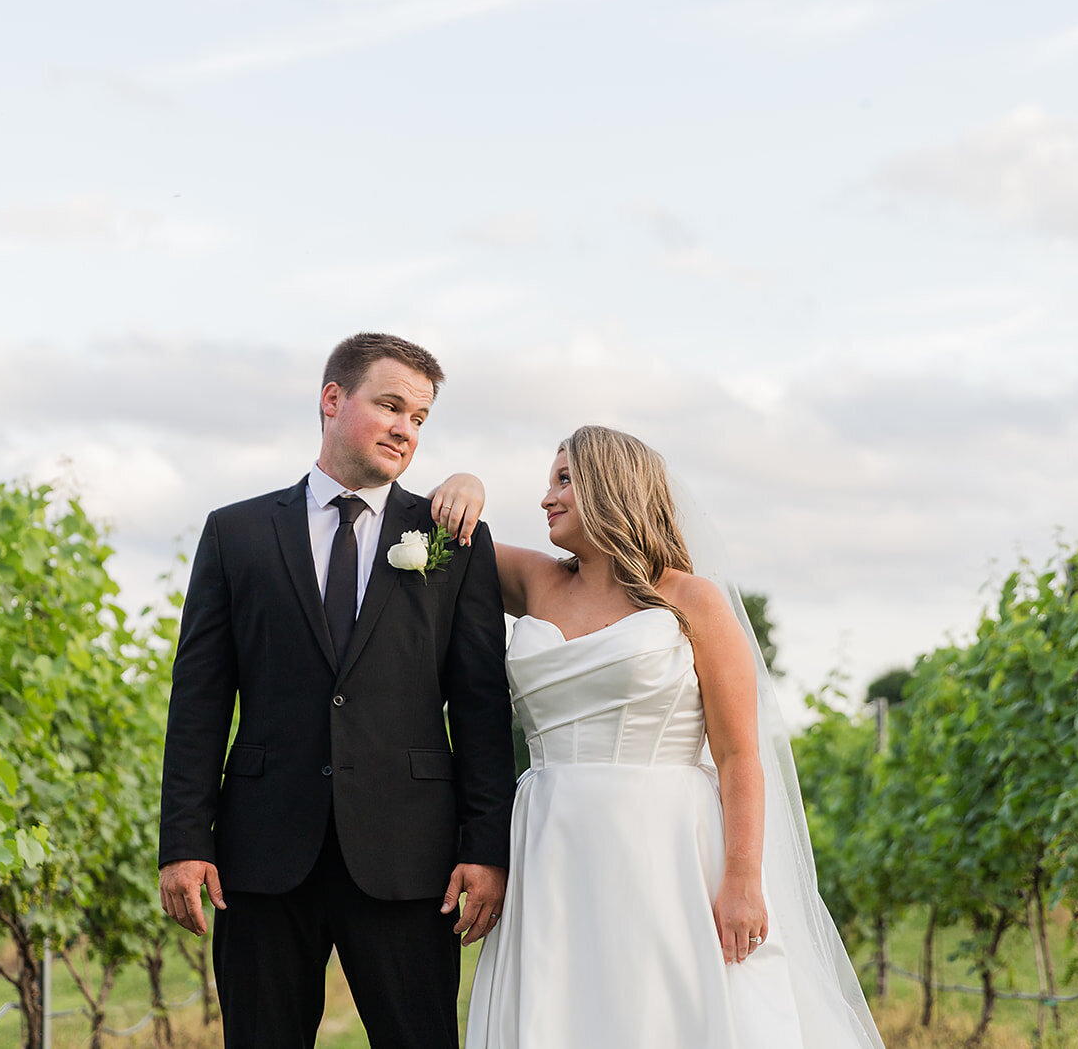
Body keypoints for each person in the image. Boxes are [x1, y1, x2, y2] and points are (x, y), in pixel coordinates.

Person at [429, 424, 884, 1048]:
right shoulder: (537, 580)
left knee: (661, 1010)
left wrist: (744, 878)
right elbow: (451, 540)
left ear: (611, 487)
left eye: (564, 480)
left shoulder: (692, 598)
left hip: (666, 844)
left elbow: (737, 753)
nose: (545, 498)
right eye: (548, 481)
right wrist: (465, 484)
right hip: (548, 839)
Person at [158, 333, 517, 1049]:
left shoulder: (452, 541)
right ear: (332, 400)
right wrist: (183, 839)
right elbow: (199, 696)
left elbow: (480, 707)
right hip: (262, 856)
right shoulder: (235, 534)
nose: (405, 429)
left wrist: (487, 845)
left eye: (418, 417)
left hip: (408, 857)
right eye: (390, 405)